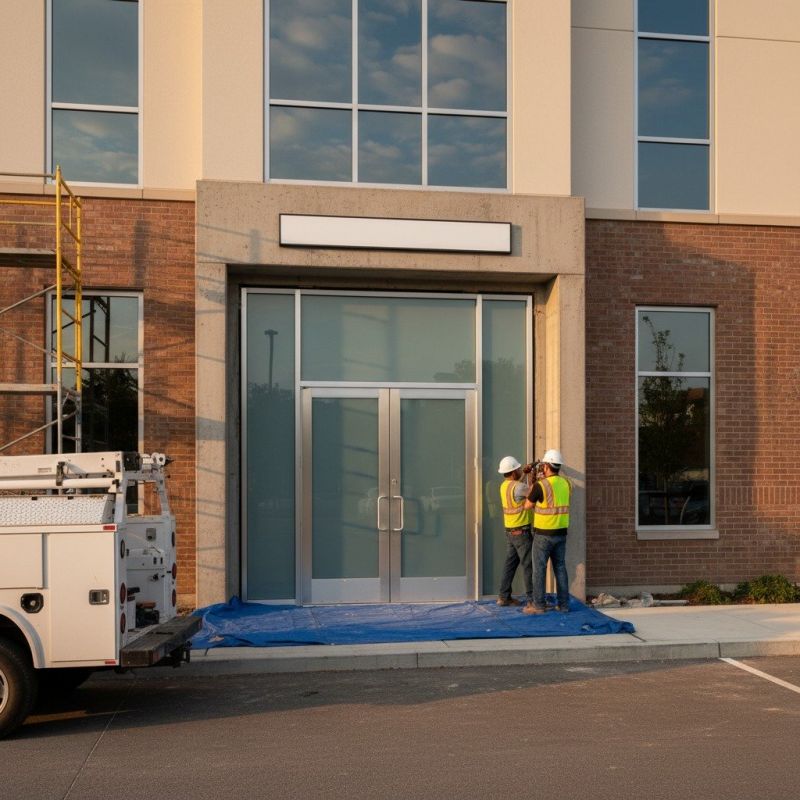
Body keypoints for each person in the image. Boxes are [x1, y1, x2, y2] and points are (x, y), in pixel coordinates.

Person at [523, 449, 571, 615]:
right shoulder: (566, 483)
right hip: (561, 533)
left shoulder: (541, 485)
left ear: (547, 466)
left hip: (544, 534)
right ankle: (563, 605)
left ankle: (539, 605)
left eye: (543, 465)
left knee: (539, 570)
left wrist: (533, 481)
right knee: (560, 567)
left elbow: (527, 505)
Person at [496, 455, 535, 611]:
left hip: (510, 532)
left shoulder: (504, 486)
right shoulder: (519, 487)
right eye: (518, 469)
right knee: (528, 565)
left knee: (510, 565)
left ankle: (503, 597)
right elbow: (532, 493)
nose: (520, 470)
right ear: (513, 472)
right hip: (522, 533)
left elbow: (518, 489)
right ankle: (532, 600)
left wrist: (524, 474)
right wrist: (532, 476)